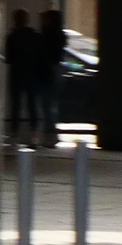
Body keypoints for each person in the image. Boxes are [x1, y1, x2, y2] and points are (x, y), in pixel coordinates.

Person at [4, 8, 42, 145]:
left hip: (17, 73)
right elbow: (41, 56)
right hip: (32, 73)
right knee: (32, 105)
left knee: (16, 105)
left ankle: (14, 134)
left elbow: (8, 59)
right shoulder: (35, 36)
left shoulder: (12, 37)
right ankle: (34, 134)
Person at [36, 8, 69, 148]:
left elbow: (43, 53)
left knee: (47, 104)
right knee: (52, 104)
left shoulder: (47, 34)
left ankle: (50, 134)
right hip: (57, 70)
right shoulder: (60, 35)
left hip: (48, 70)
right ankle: (52, 134)